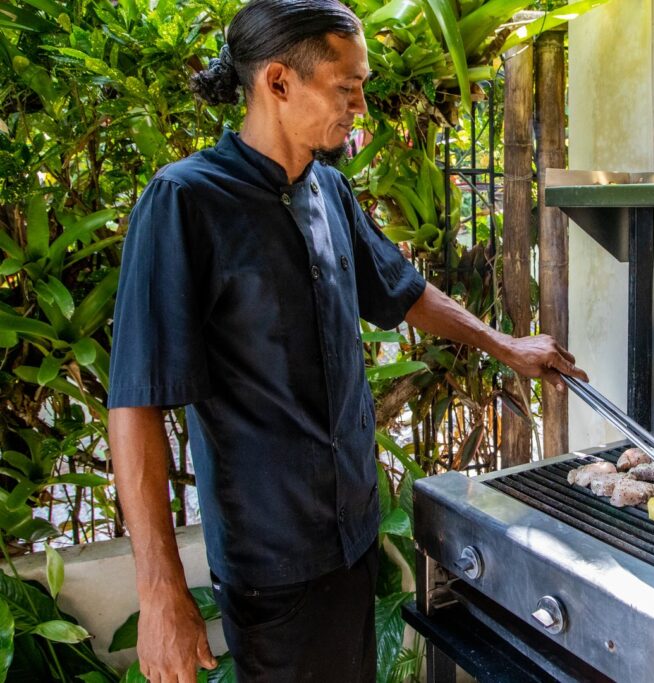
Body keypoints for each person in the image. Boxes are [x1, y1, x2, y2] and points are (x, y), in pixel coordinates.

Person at [106, 1, 586, 681]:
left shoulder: (328, 190)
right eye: (346, 87)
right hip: (272, 565)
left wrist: (506, 345)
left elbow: (402, 291)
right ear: (278, 82)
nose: (360, 106)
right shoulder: (184, 202)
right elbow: (135, 402)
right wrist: (159, 593)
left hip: (354, 540)